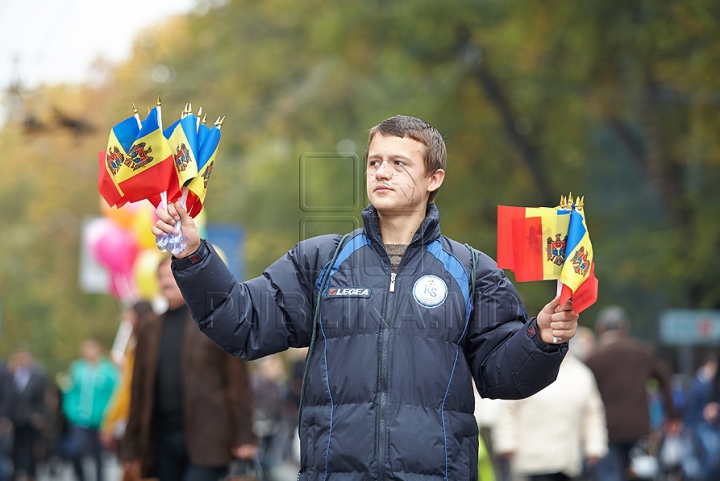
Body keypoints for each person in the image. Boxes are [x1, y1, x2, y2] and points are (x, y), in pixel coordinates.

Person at [153, 114, 579, 480]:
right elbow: (242, 322)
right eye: (375, 162)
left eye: (398, 162)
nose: (382, 172)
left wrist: (540, 339)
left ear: (434, 178)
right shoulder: (320, 259)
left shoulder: (472, 270)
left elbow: (501, 377)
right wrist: (193, 255)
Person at [121, 256, 257, 481]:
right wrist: (130, 442)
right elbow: (138, 390)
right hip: (162, 439)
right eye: (161, 276)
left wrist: (245, 436)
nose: (165, 281)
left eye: (171, 275)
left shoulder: (216, 322)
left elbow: (238, 383)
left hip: (209, 438)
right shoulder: (149, 329)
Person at [584, 305, 681, 481]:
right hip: (639, 428)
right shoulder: (643, 352)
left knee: (610, 475)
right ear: (625, 327)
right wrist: (672, 416)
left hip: (606, 429)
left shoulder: (593, 359)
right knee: (641, 473)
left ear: (601, 328)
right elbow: (665, 381)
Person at [492, 343, 608, 480]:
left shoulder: (581, 374)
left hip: (567, 461)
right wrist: (506, 443)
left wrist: (594, 446)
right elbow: (508, 409)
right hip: (531, 461)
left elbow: (592, 413)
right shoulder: (525, 368)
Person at [101, 301, 156, 481]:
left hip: (141, 424)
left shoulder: (139, 347)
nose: (126, 321)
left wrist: (109, 421)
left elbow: (128, 391)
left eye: (129, 316)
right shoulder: (156, 344)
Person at [61, 338, 119, 481]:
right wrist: (72, 411)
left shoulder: (108, 370)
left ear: (98, 349)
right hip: (80, 419)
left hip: (100, 420)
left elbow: (115, 394)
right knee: (76, 450)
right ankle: (81, 477)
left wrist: (109, 417)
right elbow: (70, 391)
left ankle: (100, 478)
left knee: (98, 455)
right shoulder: (77, 368)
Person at [8, 347, 47, 481]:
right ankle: (15, 472)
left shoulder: (39, 375)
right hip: (16, 417)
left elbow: (42, 398)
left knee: (31, 448)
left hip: (31, 417)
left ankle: (31, 474)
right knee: (14, 447)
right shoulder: (13, 373)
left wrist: (40, 415)